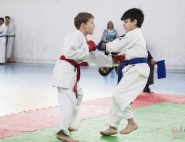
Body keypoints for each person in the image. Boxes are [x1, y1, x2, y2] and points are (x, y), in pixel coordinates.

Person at [100, 8, 150, 136]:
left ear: (134, 21)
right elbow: (121, 56)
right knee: (119, 97)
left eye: (126, 21)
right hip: (133, 69)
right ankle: (112, 126)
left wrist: (100, 46)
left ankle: (131, 122)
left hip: (137, 69)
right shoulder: (133, 36)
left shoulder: (134, 34)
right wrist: (108, 65)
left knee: (118, 96)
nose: (123, 24)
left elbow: (115, 46)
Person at [52, 12, 100, 142]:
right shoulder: (74, 36)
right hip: (65, 71)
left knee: (78, 96)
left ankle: (67, 123)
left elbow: (92, 57)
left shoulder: (84, 40)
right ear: (83, 25)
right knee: (68, 102)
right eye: (91, 23)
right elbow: (69, 53)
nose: (94, 25)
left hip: (72, 72)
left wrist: (110, 63)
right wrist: (87, 47)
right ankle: (62, 131)